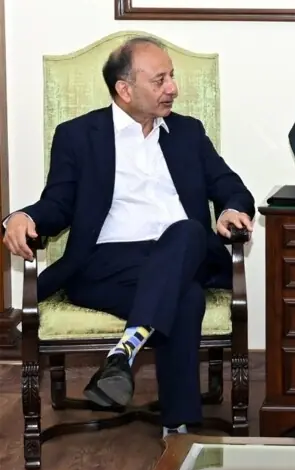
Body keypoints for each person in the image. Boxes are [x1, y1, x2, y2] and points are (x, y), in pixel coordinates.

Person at [1, 37, 256, 438]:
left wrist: (229, 209)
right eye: (160, 80)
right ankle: (179, 427)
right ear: (125, 89)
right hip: (106, 267)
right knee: (183, 295)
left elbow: (229, 185)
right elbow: (58, 204)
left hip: (181, 253)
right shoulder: (78, 136)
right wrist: (20, 216)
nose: (172, 87)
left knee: (188, 237)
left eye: (172, 76)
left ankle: (125, 354)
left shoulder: (188, 132)